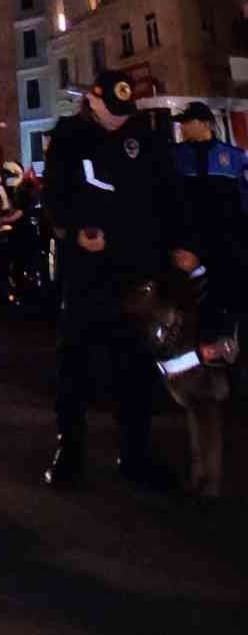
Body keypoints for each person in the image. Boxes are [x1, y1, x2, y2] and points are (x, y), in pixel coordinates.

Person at [42, 69, 199, 489]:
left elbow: (171, 194)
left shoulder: (144, 138)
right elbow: (54, 196)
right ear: (92, 101)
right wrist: (75, 230)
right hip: (87, 271)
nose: (118, 119)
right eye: (111, 110)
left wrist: (184, 243)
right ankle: (69, 449)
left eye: (123, 112)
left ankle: (135, 454)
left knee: (133, 363)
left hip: (136, 268)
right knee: (75, 361)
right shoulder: (69, 137)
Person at [173, 100, 248, 403]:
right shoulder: (177, 158)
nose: (181, 126)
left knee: (230, 307)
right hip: (189, 248)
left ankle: (231, 367)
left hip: (227, 248)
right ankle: (199, 374)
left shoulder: (231, 158)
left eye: (186, 121)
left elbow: (243, 204)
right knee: (192, 309)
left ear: (204, 123)